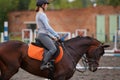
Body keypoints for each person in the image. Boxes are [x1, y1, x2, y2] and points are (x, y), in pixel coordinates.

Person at [35, 0, 60, 70]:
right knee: (53, 48)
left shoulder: (38, 14)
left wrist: (52, 37)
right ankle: (43, 64)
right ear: (43, 5)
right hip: (43, 35)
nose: (47, 6)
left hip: (43, 34)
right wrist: (56, 35)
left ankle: (51, 62)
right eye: (46, 5)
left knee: (55, 45)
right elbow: (47, 27)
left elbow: (44, 29)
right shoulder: (42, 15)